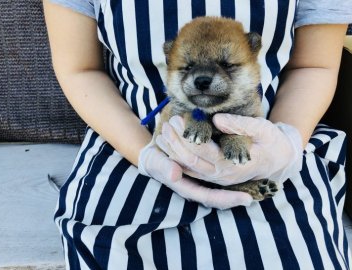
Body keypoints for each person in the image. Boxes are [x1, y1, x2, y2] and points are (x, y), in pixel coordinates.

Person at [43, 0, 352, 269]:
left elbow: (314, 65)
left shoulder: (279, 148)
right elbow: (80, 68)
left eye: (228, 65)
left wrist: (286, 143)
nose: (204, 79)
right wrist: (147, 155)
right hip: (128, 144)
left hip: (274, 147)